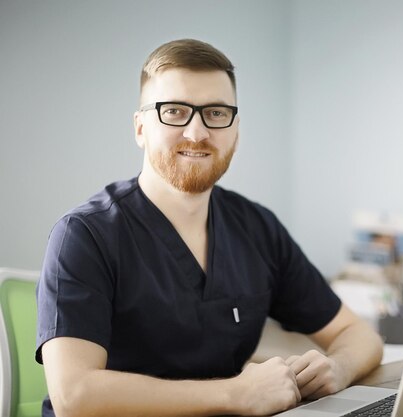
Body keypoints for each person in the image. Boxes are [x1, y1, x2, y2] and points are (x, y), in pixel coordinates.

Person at [36, 38, 383, 417]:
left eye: (216, 113)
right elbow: (75, 395)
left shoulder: (257, 228)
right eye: (174, 111)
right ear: (140, 128)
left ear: (235, 130)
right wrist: (235, 394)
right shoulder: (85, 236)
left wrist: (338, 368)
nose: (197, 132)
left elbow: (358, 334)